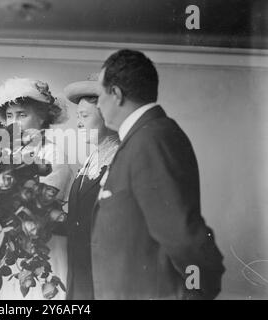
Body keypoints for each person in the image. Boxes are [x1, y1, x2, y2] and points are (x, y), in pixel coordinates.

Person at [93, 49, 225, 299]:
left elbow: (183, 236)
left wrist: (197, 293)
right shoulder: (144, 137)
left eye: (100, 95)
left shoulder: (150, 139)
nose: (98, 103)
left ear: (117, 95)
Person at [0, 78, 73, 300]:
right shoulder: (4, 156)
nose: (14, 123)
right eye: (9, 116)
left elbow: (43, 199)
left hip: (46, 245)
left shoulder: (53, 155)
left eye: (22, 115)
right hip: (12, 250)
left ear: (42, 116)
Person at [63, 75, 119, 300]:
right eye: (78, 116)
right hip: (80, 269)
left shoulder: (121, 160)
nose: (78, 124)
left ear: (107, 117)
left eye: (84, 116)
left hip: (105, 274)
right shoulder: (91, 159)